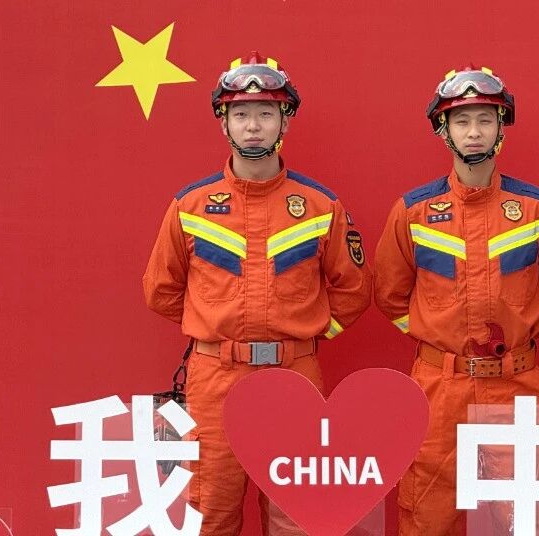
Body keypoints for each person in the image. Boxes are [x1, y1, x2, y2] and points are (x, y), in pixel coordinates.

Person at [141, 51, 372, 535]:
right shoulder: (190, 206)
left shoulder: (319, 206)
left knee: (297, 518)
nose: (252, 126)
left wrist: (306, 335)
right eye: (240, 114)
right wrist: (213, 327)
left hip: (295, 376)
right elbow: (160, 290)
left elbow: (353, 291)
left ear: (284, 121)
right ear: (223, 122)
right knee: (210, 511)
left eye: (265, 113)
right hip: (214, 381)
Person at [373, 65, 539, 535]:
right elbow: (389, 295)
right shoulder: (413, 212)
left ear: (501, 126)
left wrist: (524, 332)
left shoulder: (537, 209)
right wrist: (437, 340)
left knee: (528, 519)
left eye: (485, 120)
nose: (474, 132)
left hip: (517, 383)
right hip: (438, 389)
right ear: (443, 129)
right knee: (427, 516)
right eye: (462, 121)